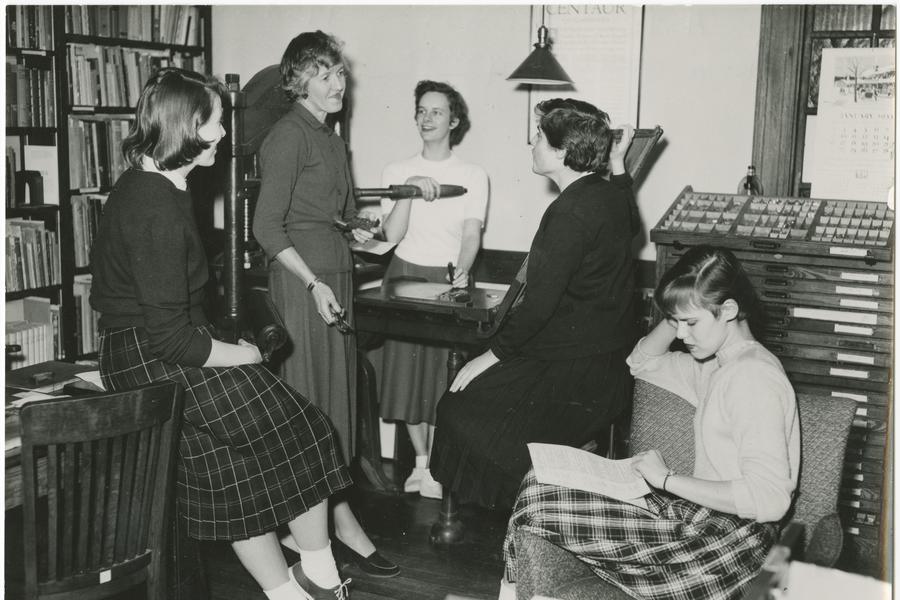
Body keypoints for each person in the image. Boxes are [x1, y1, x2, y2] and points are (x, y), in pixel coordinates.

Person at [90, 68, 357, 600]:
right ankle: (322, 581)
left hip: (140, 350)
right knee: (306, 428)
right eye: (215, 123)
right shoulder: (153, 203)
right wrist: (246, 355)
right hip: (154, 354)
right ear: (187, 128)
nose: (224, 135)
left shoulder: (160, 185)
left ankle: (297, 591)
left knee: (229, 472)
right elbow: (172, 340)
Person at [500, 245, 800, 600]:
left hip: (735, 541)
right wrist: (680, 312)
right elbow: (640, 361)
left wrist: (668, 480)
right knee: (538, 485)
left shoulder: (753, 377)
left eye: (691, 324)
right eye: (677, 323)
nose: (683, 335)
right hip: (701, 519)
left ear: (729, 310)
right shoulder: (716, 364)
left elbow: (770, 500)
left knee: (539, 503)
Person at [429, 98, 639, 509]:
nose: (532, 141)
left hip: (573, 373)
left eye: (540, 136)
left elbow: (539, 307)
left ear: (561, 152)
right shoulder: (607, 194)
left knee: (458, 406)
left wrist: (490, 357)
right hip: (605, 370)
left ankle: (526, 509)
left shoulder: (567, 211)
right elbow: (630, 217)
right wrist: (618, 163)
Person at [252, 32, 399, 579]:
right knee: (313, 408)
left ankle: (339, 522)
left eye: (339, 73)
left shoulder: (333, 139)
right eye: (323, 74)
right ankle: (318, 530)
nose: (337, 84)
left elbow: (343, 217)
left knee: (337, 407)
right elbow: (266, 226)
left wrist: (386, 219)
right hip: (305, 284)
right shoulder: (287, 135)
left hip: (336, 275)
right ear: (298, 79)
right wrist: (314, 283)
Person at [378, 80, 489, 499]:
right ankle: (422, 464)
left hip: (447, 278)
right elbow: (390, 234)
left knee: (444, 376)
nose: (427, 118)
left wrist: (460, 274)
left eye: (437, 111)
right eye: (421, 110)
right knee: (407, 375)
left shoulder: (472, 175)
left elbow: (471, 234)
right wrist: (409, 188)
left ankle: (438, 468)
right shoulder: (395, 170)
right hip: (404, 275)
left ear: (454, 120)